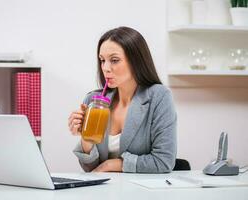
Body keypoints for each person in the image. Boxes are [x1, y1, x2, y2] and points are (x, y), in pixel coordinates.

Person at [68, 26, 177, 173]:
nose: (105, 68)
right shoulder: (93, 101)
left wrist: (112, 165)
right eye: (102, 60)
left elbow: (163, 162)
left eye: (114, 60)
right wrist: (86, 140)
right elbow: (91, 169)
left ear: (136, 60)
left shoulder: (159, 97)